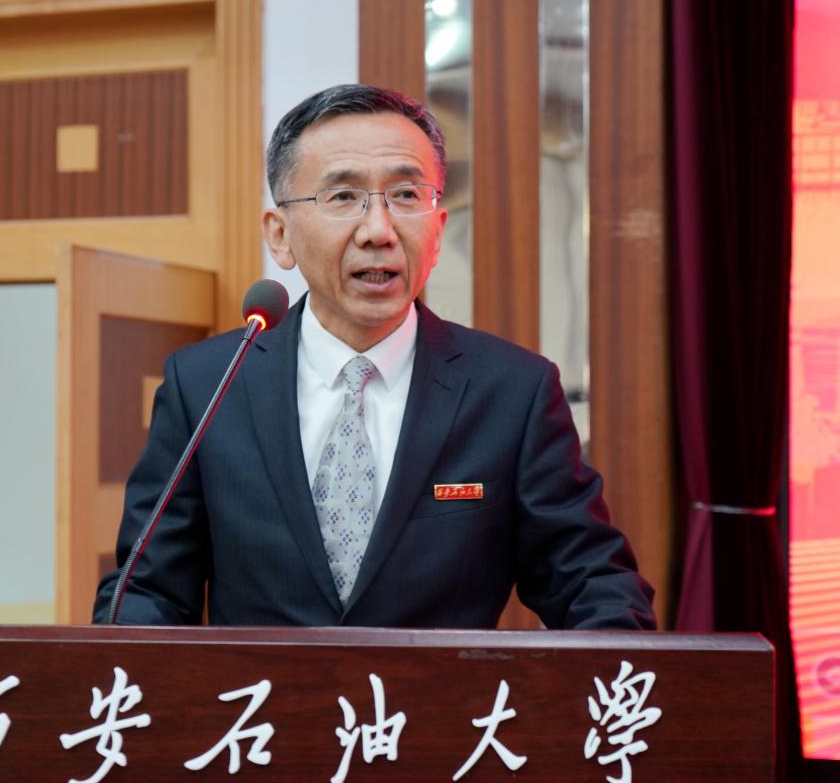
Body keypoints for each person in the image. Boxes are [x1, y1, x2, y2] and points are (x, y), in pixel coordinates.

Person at [94, 84, 656, 630]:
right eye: (343, 197)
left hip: (439, 699)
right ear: (281, 235)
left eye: (406, 196)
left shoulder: (512, 392)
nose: (379, 231)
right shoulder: (207, 385)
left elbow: (591, 583)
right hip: (257, 697)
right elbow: (147, 591)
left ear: (438, 230)